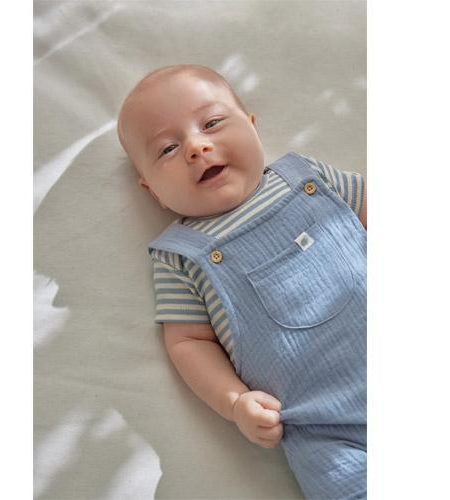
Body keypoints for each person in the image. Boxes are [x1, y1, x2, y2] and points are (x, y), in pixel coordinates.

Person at [117, 64, 367, 499]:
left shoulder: (308, 178)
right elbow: (188, 342)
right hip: (327, 432)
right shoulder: (180, 257)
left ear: (252, 126)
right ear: (152, 190)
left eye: (212, 123)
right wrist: (234, 402)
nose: (196, 147)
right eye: (168, 149)